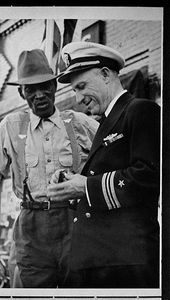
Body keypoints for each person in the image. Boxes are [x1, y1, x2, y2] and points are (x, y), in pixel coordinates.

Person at [0, 49, 99, 288]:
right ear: (22, 93)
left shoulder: (80, 123)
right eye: (31, 89)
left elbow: (114, 157)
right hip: (32, 230)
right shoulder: (10, 127)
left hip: (75, 223)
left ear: (54, 86)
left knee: (79, 290)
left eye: (44, 86)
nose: (39, 95)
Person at [47, 42, 160, 288]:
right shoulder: (108, 121)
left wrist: (85, 186)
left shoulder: (142, 110)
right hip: (98, 260)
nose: (78, 98)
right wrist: (71, 183)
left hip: (124, 262)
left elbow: (149, 176)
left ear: (106, 74)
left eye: (81, 86)